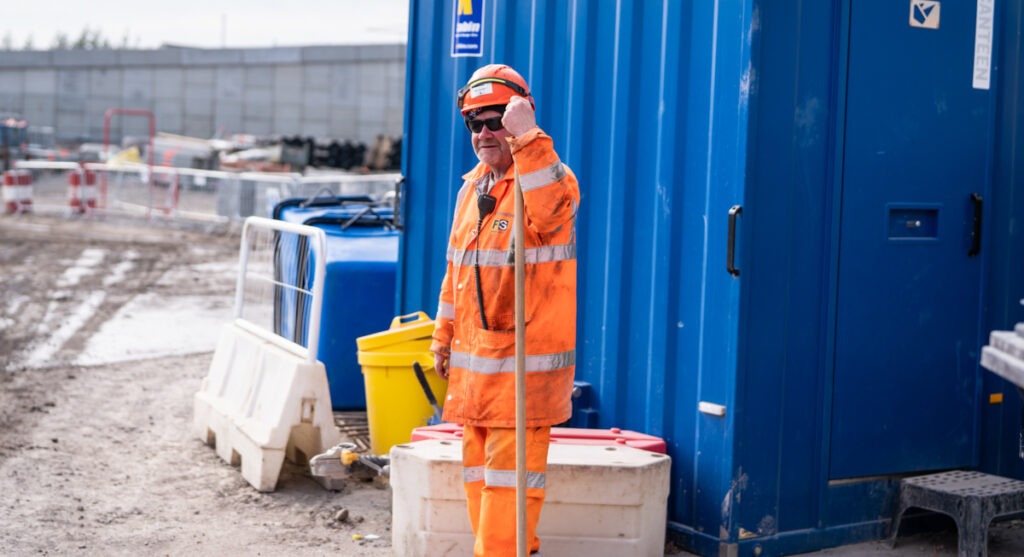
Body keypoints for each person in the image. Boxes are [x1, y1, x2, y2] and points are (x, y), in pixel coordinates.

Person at [430, 64, 580, 557]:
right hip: (477, 370)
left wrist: (529, 138)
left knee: (508, 487)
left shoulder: (544, 178)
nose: (484, 133)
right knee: (479, 479)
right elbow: (456, 271)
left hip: (522, 374)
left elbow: (552, 212)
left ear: (518, 119)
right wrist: (442, 336)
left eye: (495, 121)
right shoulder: (473, 187)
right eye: (474, 123)